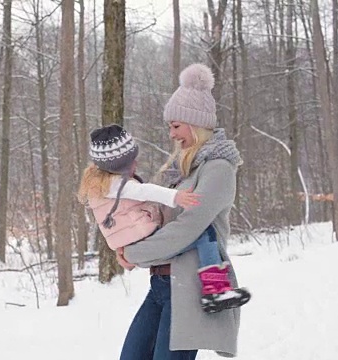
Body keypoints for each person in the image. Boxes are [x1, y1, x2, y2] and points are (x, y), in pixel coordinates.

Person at [117, 63, 250, 360]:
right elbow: (163, 223)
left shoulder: (218, 169)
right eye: (170, 127)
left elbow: (188, 229)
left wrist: (135, 253)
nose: (172, 134)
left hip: (188, 288)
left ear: (196, 124)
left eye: (176, 126)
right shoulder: (184, 172)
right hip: (161, 285)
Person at [78, 124, 247, 314]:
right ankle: (215, 289)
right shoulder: (119, 184)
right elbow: (144, 191)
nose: (136, 164)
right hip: (143, 238)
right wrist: (176, 197)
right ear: (120, 165)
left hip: (131, 240)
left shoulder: (100, 186)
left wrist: (123, 249)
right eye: (133, 161)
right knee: (205, 234)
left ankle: (214, 288)